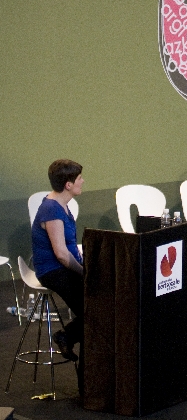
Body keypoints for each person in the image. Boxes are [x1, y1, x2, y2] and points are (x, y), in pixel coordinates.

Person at [32, 159, 84, 374]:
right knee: (95, 310)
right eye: (79, 178)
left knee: (100, 304)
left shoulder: (60, 204)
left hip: (64, 268)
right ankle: (66, 336)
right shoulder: (51, 209)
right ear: (68, 185)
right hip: (53, 271)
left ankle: (68, 336)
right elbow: (61, 255)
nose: (82, 181)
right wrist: (84, 272)